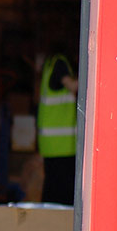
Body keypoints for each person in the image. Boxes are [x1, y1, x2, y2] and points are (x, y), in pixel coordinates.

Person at [37, 51, 79, 205]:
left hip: (53, 145)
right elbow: (73, 86)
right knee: (62, 199)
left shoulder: (51, 63)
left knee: (52, 194)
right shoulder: (60, 63)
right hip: (63, 147)